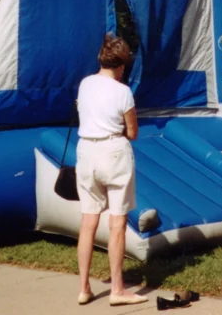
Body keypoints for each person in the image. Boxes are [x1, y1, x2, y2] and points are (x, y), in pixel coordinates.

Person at [75, 34, 146, 306]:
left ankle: (84, 288)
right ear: (122, 65)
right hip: (113, 151)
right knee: (117, 224)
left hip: (86, 151)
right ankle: (117, 289)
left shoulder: (85, 84)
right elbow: (132, 132)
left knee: (88, 222)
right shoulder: (123, 91)